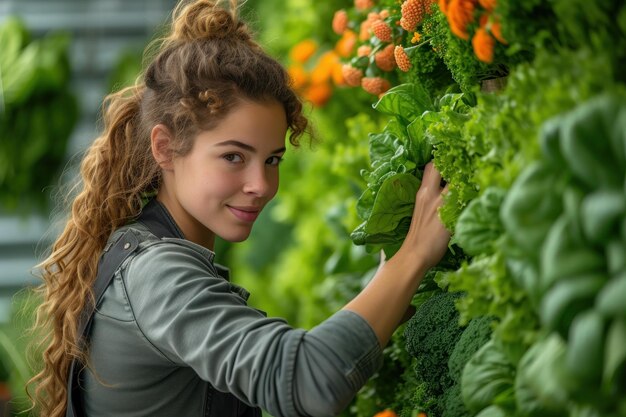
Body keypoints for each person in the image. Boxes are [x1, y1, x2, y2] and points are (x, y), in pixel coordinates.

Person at [28, 0, 450, 416]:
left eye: (272, 159)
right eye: (233, 156)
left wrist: (392, 286)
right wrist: (411, 256)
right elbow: (307, 381)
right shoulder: (157, 276)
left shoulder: (141, 252)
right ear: (166, 147)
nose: (261, 185)